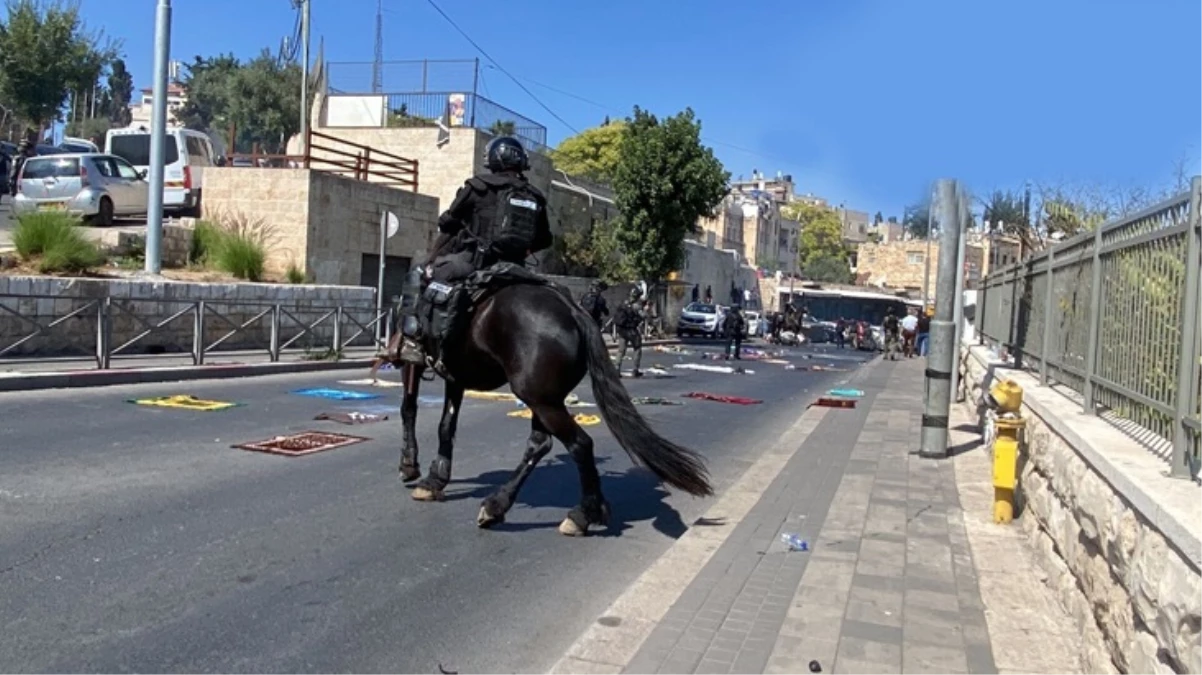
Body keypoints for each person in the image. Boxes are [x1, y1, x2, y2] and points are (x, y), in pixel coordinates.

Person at [397, 136, 552, 377]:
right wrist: (523, 251)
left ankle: (412, 342)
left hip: (472, 262)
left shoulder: (478, 186)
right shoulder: (535, 196)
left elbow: (448, 222)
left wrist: (434, 253)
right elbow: (545, 239)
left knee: (418, 275)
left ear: (493, 160)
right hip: (516, 268)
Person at [614, 287, 645, 377]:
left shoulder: (624, 303)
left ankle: (617, 368)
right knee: (637, 348)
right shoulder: (636, 305)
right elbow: (643, 316)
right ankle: (635, 370)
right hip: (632, 331)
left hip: (622, 330)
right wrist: (646, 310)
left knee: (621, 351)